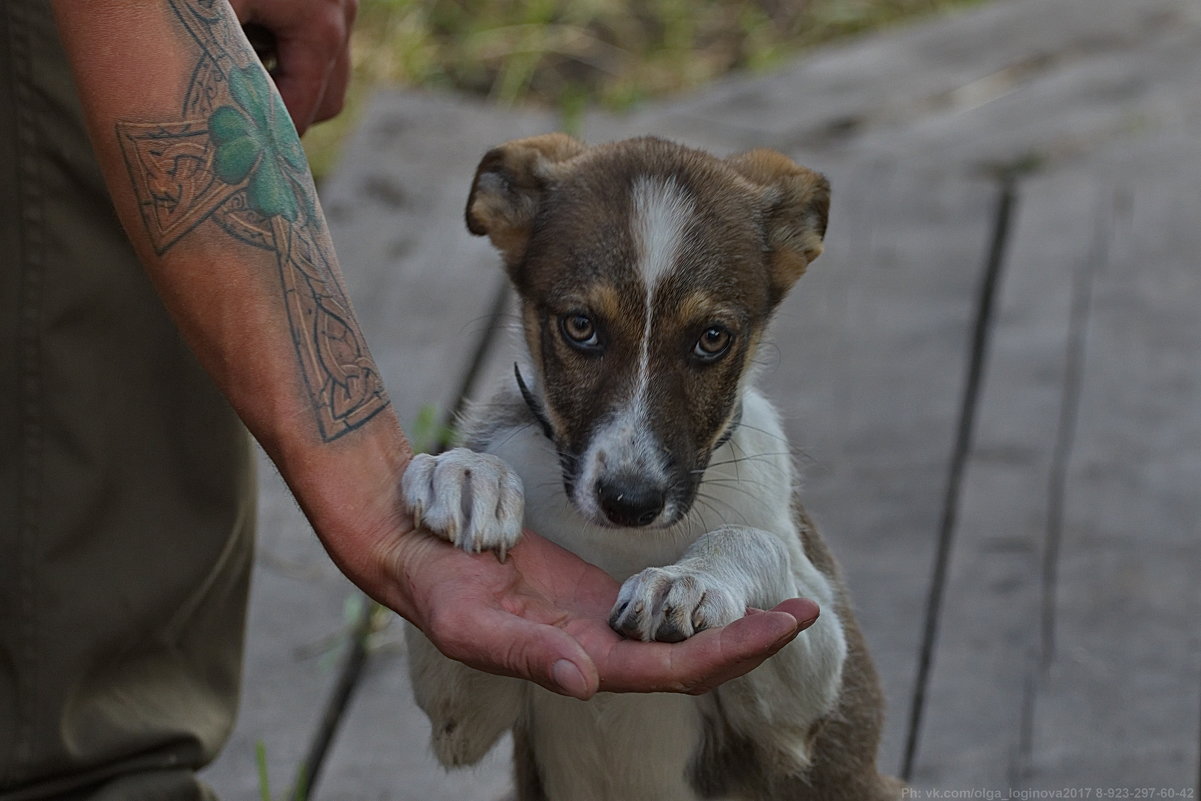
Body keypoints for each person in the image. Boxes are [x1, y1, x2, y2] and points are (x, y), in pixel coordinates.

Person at [0, 1, 818, 798]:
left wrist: (748, 562)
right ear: (503, 211)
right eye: (581, 329)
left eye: (707, 342)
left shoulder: (747, 494)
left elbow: (809, 711)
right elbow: (457, 733)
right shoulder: (500, 473)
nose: (633, 458)